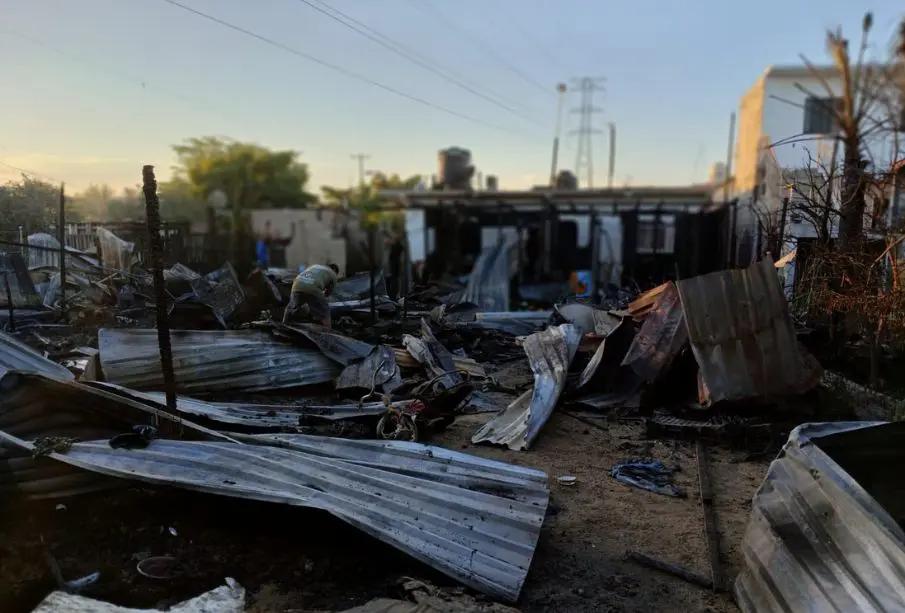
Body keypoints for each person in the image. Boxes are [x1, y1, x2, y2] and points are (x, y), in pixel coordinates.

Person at [282, 263, 339, 328]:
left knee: (291, 307)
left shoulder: (315, 266)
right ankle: (328, 332)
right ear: (334, 270)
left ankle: (284, 324)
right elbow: (328, 292)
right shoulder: (333, 274)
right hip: (313, 288)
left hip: (297, 285)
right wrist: (322, 299)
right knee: (325, 312)